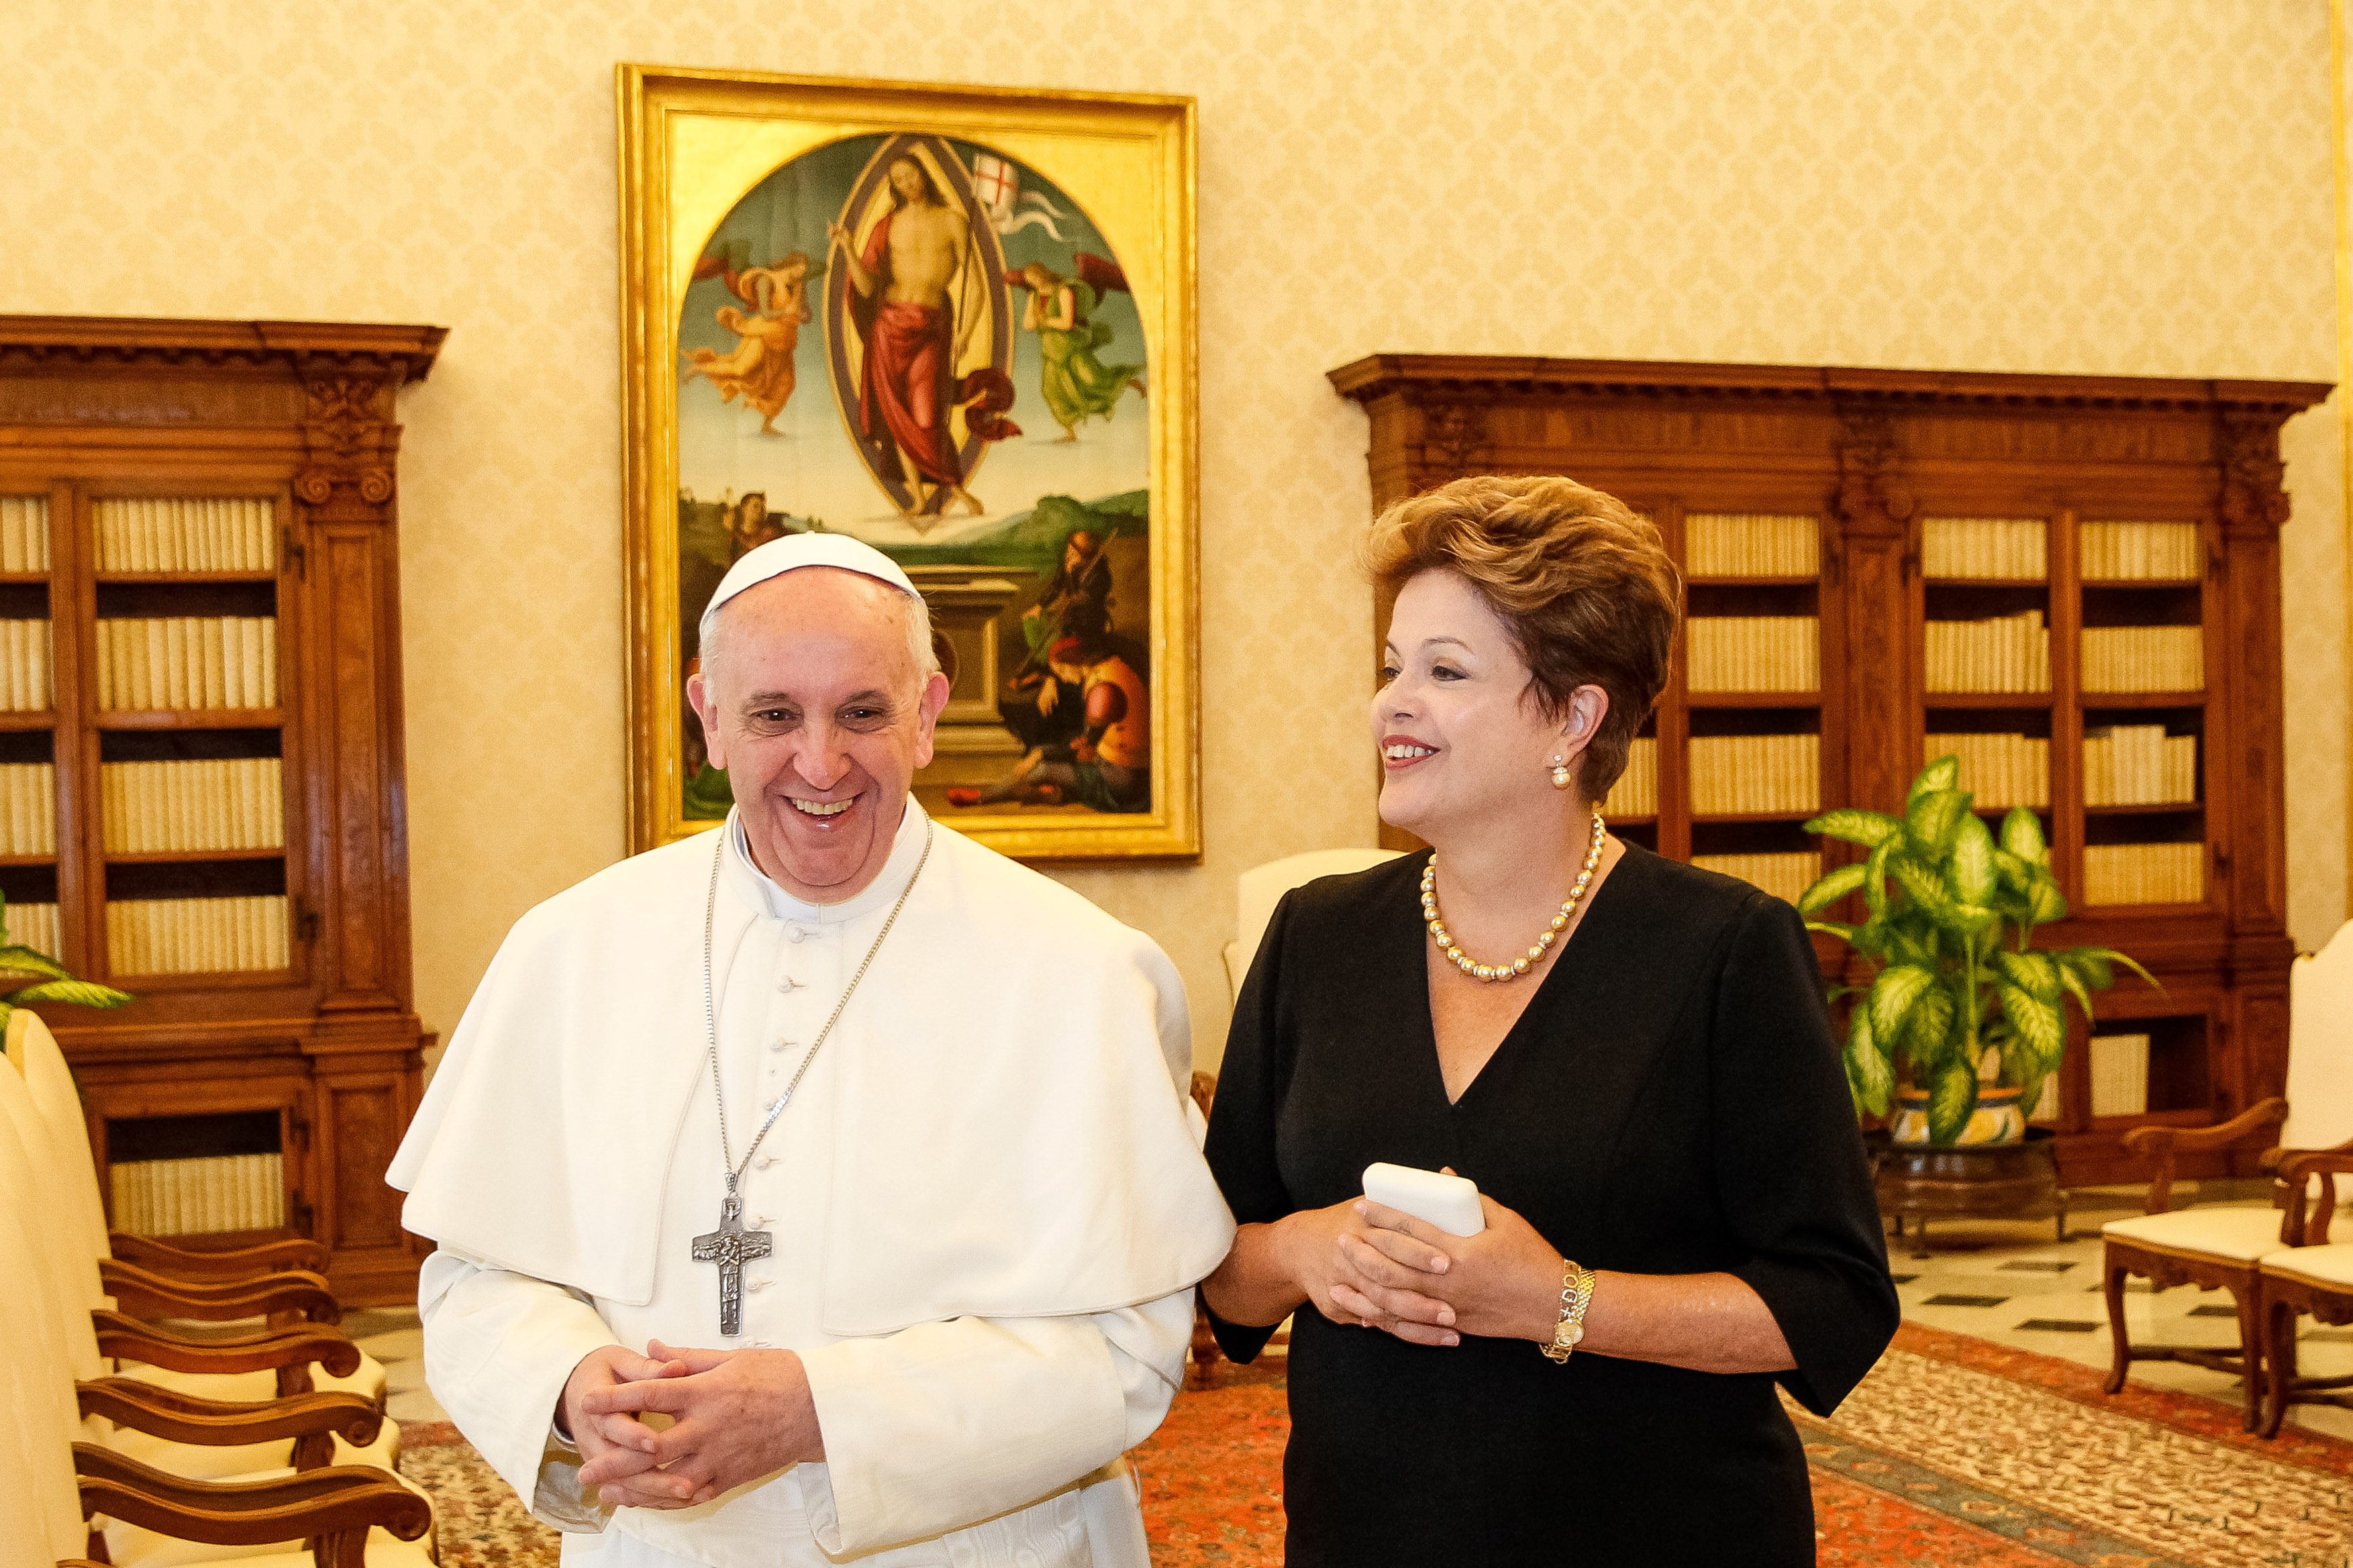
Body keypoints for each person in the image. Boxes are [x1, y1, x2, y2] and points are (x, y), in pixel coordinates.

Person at [389, 532, 1234, 1567]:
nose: (820, 762)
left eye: (863, 712)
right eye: (774, 714)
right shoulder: (569, 949)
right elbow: (477, 1276)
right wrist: (567, 1383)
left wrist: (820, 1411)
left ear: (927, 712)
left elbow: (1127, 1351)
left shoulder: (1084, 972)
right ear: (709, 718)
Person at [1199, 474, 1898, 1565]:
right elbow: (1223, 1273)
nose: (1392, 703)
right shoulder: (1313, 938)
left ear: (1574, 715)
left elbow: (1832, 1302)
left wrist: (1559, 1302)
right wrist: (1306, 1245)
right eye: (1392, 668)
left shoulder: (1726, 951)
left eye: (1445, 671)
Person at [829, 156, 995, 517]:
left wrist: (965, 334)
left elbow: (978, 288)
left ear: (924, 174)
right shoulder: (887, 226)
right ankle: (919, 499)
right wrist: (847, 248)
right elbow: (866, 286)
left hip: (931, 329)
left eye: (911, 175)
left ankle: (955, 489)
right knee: (898, 418)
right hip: (888, 328)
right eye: (898, 180)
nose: (906, 183)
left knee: (926, 416)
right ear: (894, 186)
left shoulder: (953, 220)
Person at [682, 254, 813, 436]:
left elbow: (804, 313)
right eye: (798, 268)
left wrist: (801, 314)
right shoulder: (767, 281)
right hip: (764, 334)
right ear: (789, 265)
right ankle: (699, 368)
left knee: (786, 384)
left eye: (803, 270)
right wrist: (786, 311)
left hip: (784, 340)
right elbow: (767, 314)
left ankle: (766, 426)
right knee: (741, 368)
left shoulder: (798, 285)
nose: (800, 273)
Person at [1013, 262, 1145, 441]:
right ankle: (1070, 433)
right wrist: (1038, 319)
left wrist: (1044, 321)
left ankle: (1127, 381)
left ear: (1043, 274)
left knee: (1092, 379)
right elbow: (1027, 325)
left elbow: (1067, 323)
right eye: (1030, 281)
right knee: (1051, 391)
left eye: (1035, 278)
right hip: (1051, 350)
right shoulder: (1033, 297)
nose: (1034, 283)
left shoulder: (1064, 292)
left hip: (1070, 347)